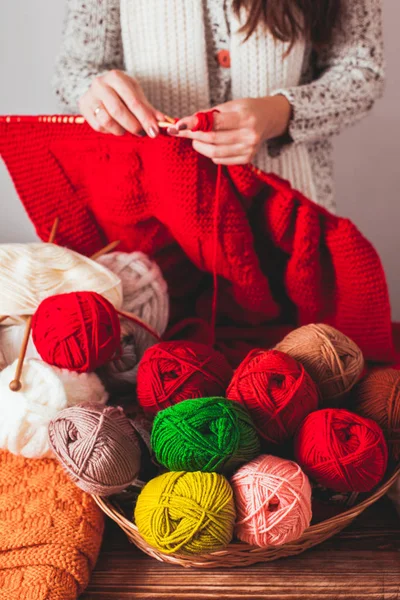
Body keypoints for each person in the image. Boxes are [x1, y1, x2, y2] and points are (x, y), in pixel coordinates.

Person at [53, 0, 384, 213]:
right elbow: (76, 69)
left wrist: (278, 114)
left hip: (290, 215)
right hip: (150, 218)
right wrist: (95, 95)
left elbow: (361, 71)